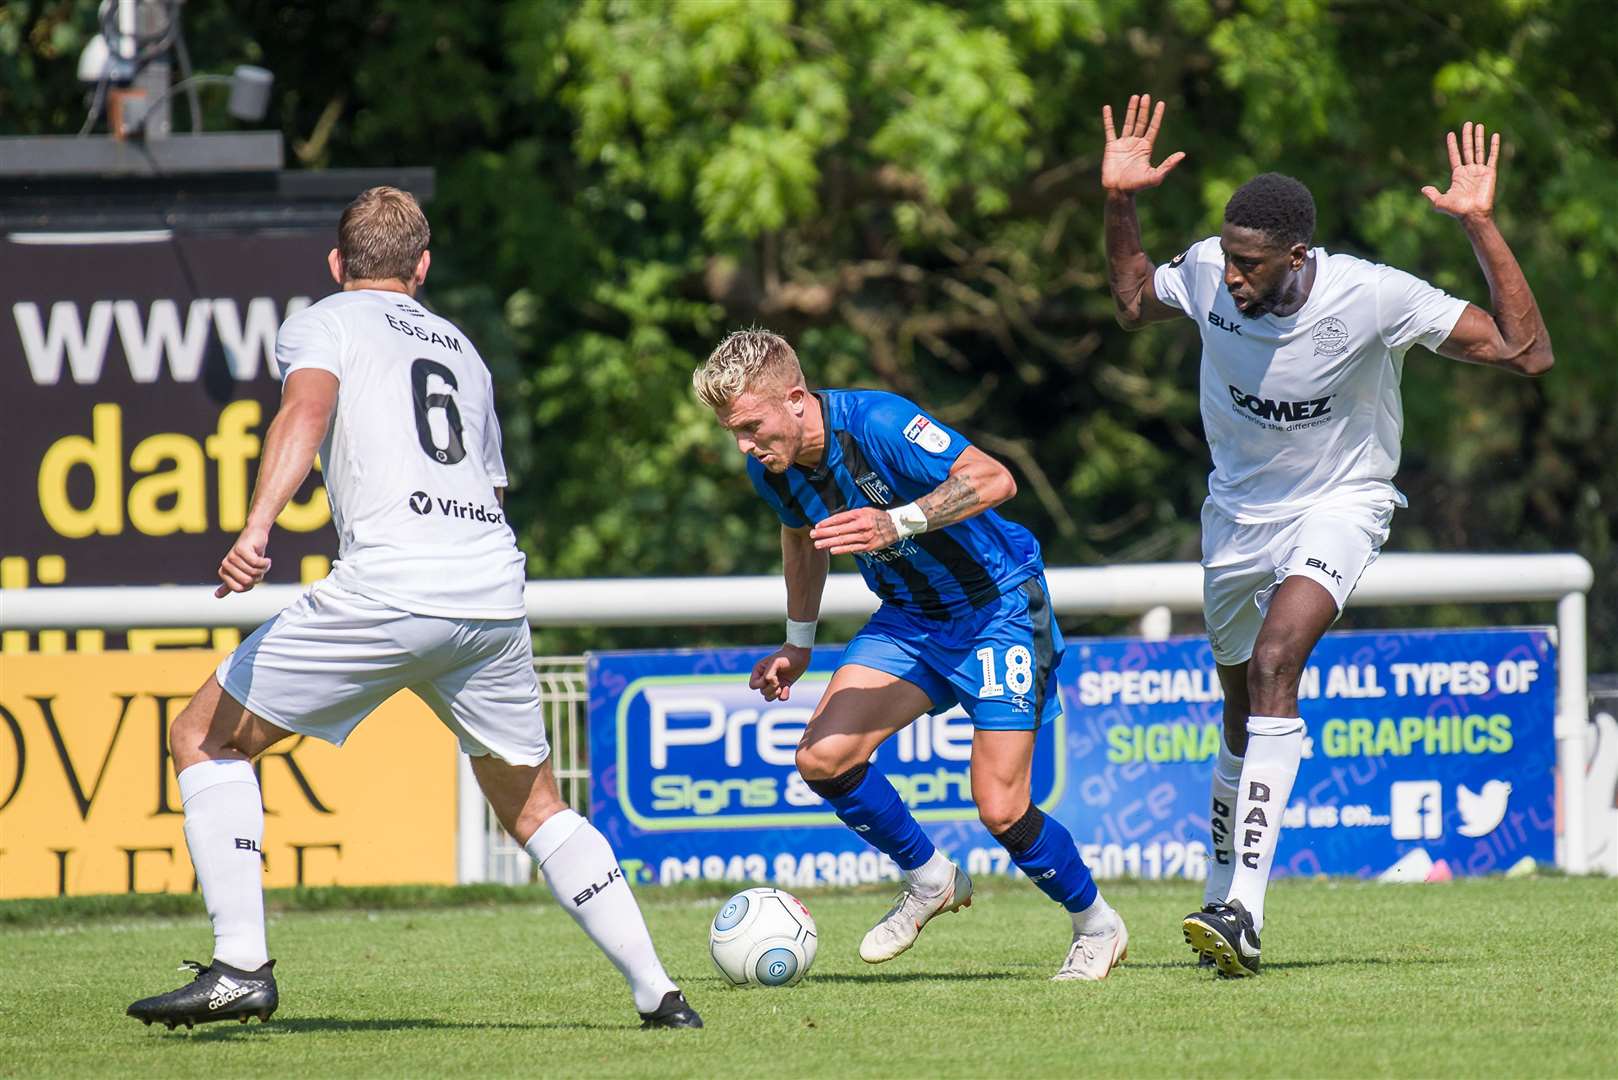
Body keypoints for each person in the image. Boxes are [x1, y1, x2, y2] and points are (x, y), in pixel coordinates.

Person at [126, 187, 700, 1030]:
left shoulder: (326, 320)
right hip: (490, 598)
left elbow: (306, 411)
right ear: (421, 268)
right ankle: (662, 996)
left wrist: (257, 526)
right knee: (538, 806)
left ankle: (241, 965)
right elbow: (493, 488)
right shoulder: (466, 352)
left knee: (202, 735)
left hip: (391, 587)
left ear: (337, 264)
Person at [1099, 94, 1554, 976]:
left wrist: (1480, 227)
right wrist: (1120, 199)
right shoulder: (1203, 272)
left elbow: (1524, 352)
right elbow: (1128, 300)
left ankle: (1244, 912)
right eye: (1228, 259)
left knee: (1277, 661)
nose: (1231, 277)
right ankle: (1217, 890)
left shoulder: (1373, 296)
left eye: (1251, 264)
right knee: (1238, 712)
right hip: (1234, 517)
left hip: (1342, 504)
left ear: (1297, 257)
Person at [693, 330, 1126, 981]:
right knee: (822, 757)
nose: (745, 446)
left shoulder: (881, 423)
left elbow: (994, 478)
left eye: (752, 426)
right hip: (912, 621)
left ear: (796, 398)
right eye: (733, 431)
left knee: (1001, 808)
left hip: (998, 608)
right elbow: (802, 539)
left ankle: (1098, 926)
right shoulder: (771, 470)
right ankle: (931, 880)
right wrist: (798, 643)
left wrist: (897, 521)